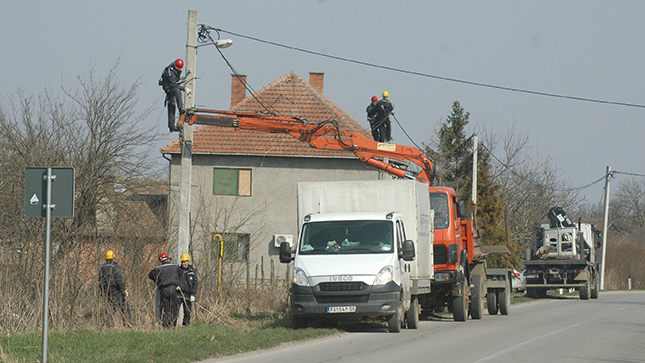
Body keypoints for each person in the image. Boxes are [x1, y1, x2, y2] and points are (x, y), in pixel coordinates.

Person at [148, 253, 183, 328]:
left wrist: (157, 281)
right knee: (174, 307)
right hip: (173, 288)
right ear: (168, 259)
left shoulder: (158, 268)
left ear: (161, 261)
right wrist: (178, 282)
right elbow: (181, 274)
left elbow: (150, 275)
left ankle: (166, 325)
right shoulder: (175, 266)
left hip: (164, 289)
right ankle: (173, 325)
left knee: (165, 308)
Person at [98, 250, 131, 326]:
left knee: (110, 308)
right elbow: (119, 279)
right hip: (116, 290)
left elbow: (100, 281)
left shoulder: (102, 268)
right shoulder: (115, 267)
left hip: (106, 291)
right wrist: (124, 290)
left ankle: (110, 325)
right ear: (113, 258)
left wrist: (102, 292)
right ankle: (127, 324)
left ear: (106, 259)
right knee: (124, 307)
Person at [159, 59, 191, 132]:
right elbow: (174, 85)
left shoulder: (173, 67)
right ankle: (180, 109)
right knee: (177, 92)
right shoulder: (170, 73)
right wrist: (184, 88)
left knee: (171, 105)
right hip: (169, 88)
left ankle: (171, 126)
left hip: (172, 85)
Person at [177, 253, 199, 326]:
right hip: (179, 293)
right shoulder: (178, 270)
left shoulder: (192, 271)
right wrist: (177, 286)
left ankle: (185, 325)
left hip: (188, 294)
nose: (184, 263)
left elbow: (195, 284)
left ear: (188, 261)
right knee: (175, 309)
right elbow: (175, 280)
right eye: (183, 262)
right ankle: (172, 326)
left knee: (187, 311)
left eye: (185, 261)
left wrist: (193, 295)